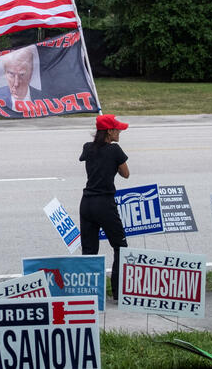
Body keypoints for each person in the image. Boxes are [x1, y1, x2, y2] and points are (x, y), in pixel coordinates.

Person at [79, 113, 130, 302]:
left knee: (89, 251)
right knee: (120, 247)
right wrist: (114, 163)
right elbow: (126, 174)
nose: (120, 132)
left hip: (86, 203)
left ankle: (88, 295)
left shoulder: (88, 148)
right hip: (104, 204)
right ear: (110, 131)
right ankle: (118, 292)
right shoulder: (115, 150)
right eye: (117, 129)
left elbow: (91, 160)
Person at [0, 46, 44, 112]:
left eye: (22, 75)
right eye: (11, 74)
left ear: (31, 74)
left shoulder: (43, 97)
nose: (16, 83)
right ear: (5, 73)